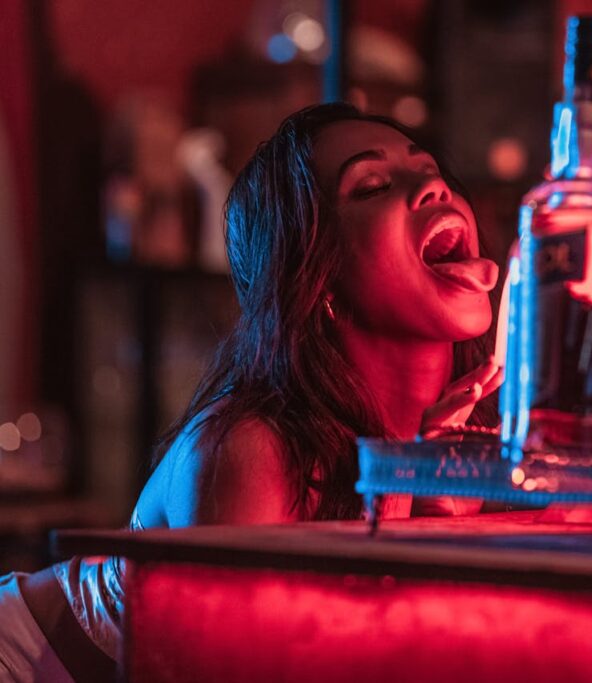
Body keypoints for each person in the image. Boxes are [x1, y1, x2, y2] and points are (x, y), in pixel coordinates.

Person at [0, 102, 504, 681]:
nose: (433, 186)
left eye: (428, 167)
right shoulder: (247, 449)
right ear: (317, 280)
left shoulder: (468, 436)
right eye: (372, 185)